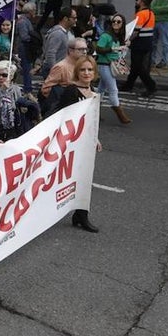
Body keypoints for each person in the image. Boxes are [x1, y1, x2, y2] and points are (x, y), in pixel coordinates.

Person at [54, 56, 103, 232]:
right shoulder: (71, 91)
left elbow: (92, 120)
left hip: (86, 143)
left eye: (90, 69)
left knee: (84, 178)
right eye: (83, 70)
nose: (86, 73)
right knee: (66, 179)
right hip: (72, 144)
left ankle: (81, 215)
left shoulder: (94, 92)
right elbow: (62, 117)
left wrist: (95, 138)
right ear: (77, 72)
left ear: (95, 72)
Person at [94, 14, 132, 124]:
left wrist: (126, 44)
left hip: (111, 65)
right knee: (113, 90)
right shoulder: (106, 35)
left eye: (118, 22)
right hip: (104, 64)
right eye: (114, 21)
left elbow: (122, 48)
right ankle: (121, 116)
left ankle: (94, 113)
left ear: (122, 24)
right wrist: (114, 48)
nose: (115, 23)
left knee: (101, 90)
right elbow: (99, 49)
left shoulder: (119, 36)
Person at [40, 37, 90, 115]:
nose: (84, 52)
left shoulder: (82, 65)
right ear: (71, 51)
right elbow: (45, 89)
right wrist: (62, 99)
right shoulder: (61, 67)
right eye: (80, 49)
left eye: (86, 49)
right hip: (63, 110)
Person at [122, 0, 158, 98]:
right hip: (147, 42)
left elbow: (136, 31)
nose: (136, 1)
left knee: (138, 66)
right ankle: (128, 85)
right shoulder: (151, 13)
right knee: (135, 66)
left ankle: (151, 85)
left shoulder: (140, 14)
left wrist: (127, 40)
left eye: (138, 0)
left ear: (142, 2)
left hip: (139, 43)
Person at [42, 7, 77, 72]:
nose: (76, 20)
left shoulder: (64, 32)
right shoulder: (58, 33)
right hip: (54, 70)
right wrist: (55, 70)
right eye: (74, 18)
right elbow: (50, 54)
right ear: (65, 18)